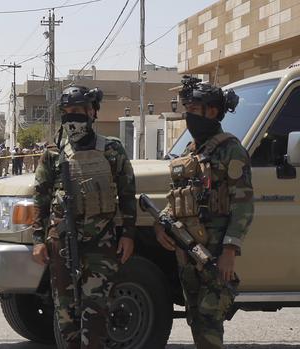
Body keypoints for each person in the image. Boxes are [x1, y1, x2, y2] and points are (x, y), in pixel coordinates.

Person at [31, 85, 136, 348]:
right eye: (66, 112)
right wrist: (38, 240)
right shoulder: (53, 153)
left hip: (101, 243)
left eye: (77, 111)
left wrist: (129, 235)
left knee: (96, 314)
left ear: (92, 112)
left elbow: (127, 195)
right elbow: (41, 198)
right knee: (66, 316)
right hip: (62, 242)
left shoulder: (112, 150)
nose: (71, 117)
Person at [155, 76, 253, 349]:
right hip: (187, 252)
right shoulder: (190, 151)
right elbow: (175, 196)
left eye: (194, 110)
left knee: (210, 321)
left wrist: (229, 252)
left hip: (213, 253)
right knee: (196, 318)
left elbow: (244, 204)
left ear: (212, 111)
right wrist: (162, 222)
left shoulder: (230, 150)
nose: (189, 116)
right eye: (188, 110)